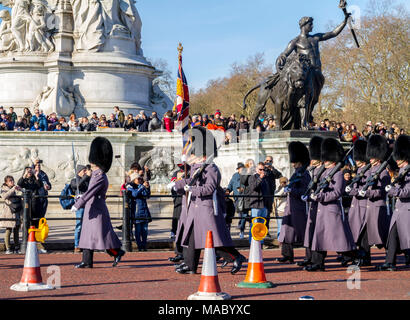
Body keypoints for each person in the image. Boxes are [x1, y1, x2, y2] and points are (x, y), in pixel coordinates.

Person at [171, 126, 246, 274]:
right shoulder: (198, 168)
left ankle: (236, 257)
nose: (194, 157)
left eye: (196, 155)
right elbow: (190, 181)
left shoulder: (211, 168)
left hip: (206, 209)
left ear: (204, 155)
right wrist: (177, 185)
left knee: (213, 240)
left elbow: (208, 188)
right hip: (195, 209)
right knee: (191, 239)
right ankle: (190, 264)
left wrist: (190, 189)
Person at [72, 137, 125, 268]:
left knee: (100, 236)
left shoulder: (99, 175)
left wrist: (78, 203)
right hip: (92, 208)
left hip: (96, 209)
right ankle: (86, 261)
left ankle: (117, 252)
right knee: (87, 235)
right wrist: (80, 197)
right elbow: (89, 192)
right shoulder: (96, 174)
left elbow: (91, 192)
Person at [306, 138, 356, 271]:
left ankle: (353, 255)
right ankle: (318, 263)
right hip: (321, 209)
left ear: (332, 159)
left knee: (339, 238)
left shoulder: (338, 173)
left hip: (331, 209)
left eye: (327, 159)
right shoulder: (323, 172)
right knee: (319, 237)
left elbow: (337, 193)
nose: (324, 161)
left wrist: (320, 196)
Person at [356, 135, 392, 266]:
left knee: (382, 235)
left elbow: (382, 191)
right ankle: (365, 257)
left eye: (372, 156)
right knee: (365, 234)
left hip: (377, 206)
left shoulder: (383, 172)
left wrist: (367, 193)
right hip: (368, 207)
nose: (370, 158)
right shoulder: (369, 170)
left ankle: (393, 256)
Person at [378, 135, 410, 271]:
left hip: (407, 209)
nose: (397, 160)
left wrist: (392, 190)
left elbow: (407, 191)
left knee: (407, 238)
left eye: (400, 157)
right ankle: (390, 262)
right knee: (392, 236)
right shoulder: (402, 170)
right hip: (399, 210)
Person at [277, 142, 311, 263]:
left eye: (295, 162)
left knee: (303, 233)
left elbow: (305, 190)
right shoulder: (296, 173)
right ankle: (287, 254)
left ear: (300, 162)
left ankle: (309, 257)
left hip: (299, 207)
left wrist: (292, 190)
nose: (293, 164)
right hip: (290, 207)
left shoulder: (304, 174)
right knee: (286, 230)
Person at [298, 136, 324, 267]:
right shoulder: (311, 171)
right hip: (312, 206)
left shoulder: (323, 171)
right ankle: (310, 258)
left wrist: (315, 196)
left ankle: (317, 261)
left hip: (321, 206)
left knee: (318, 235)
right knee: (310, 233)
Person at [347, 140, 370, 265]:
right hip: (355, 205)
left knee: (363, 234)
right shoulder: (360, 170)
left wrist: (355, 191)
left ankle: (365, 257)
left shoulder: (367, 171)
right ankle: (359, 256)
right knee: (356, 232)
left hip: (363, 204)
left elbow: (365, 188)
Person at [126, 173, 152, 251]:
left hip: (144, 210)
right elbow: (135, 194)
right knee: (138, 230)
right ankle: (139, 246)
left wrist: (147, 188)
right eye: (138, 179)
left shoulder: (141, 186)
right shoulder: (130, 186)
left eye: (141, 179)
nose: (140, 180)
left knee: (145, 230)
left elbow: (147, 195)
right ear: (134, 179)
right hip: (136, 211)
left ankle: (144, 245)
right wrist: (143, 187)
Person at [247, 162, 271, 243]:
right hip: (256, 205)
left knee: (262, 226)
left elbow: (268, 191)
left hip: (264, 205)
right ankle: (252, 242)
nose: (262, 171)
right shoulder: (252, 177)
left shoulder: (266, 179)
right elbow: (253, 187)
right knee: (254, 225)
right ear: (256, 169)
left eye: (263, 169)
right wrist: (260, 178)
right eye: (260, 169)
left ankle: (260, 242)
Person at [70, 164, 91, 253]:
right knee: (79, 226)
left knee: (88, 226)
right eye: (84, 171)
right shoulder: (74, 180)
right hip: (80, 206)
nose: (85, 172)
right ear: (79, 172)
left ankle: (87, 244)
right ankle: (77, 245)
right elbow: (77, 186)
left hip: (89, 205)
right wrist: (86, 176)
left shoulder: (87, 180)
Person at [0, 176, 22, 254]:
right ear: (6, 182)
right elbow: (4, 196)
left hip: (16, 212)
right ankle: (8, 248)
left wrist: (20, 190)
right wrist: (13, 189)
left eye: (12, 180)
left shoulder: (15, 188)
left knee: (16, 230)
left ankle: (17, 247)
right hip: (8, 212)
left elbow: (20, 197)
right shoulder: (3, 189)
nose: (12, 182)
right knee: (8, 230)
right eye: (10, 181)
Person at [263, 156, 283, 236]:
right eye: (267, 160)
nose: (268, 162)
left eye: (270, 161)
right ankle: (262, 231)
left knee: (267, 214)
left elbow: (279, 175)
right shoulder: (262, 169)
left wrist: (272, 169)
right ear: (265, 161)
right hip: (262, 195)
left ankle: (266, 231)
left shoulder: (272, 170)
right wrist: (264, 168)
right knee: (262, 214)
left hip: (270, 195)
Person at [226, 162, 246, 238]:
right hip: (236, 198)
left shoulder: (246, 176)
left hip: (244, 198)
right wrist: (228, 190)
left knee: (243, 215)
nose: (242, 169)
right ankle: (240, 226)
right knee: (236, 214)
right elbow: (231, 184)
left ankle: (242, 230)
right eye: (240, 168)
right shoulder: (235, 175)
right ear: (238, 169)